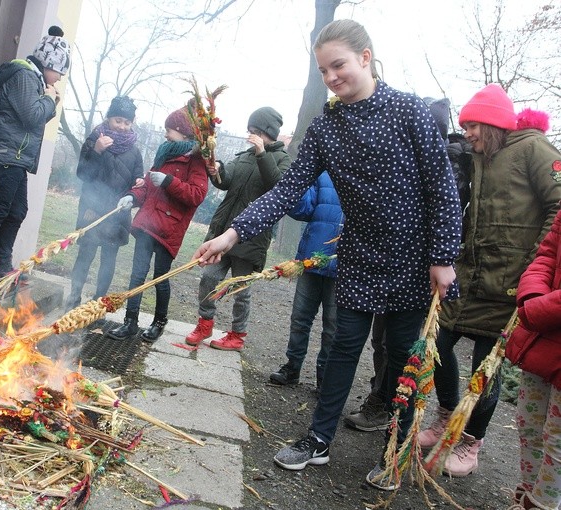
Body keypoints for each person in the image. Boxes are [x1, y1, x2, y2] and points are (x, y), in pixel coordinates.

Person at [193, 19, 462, 491]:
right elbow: (287, 190)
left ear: (365, 57)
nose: (331, 76)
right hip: (356, 258)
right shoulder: (327, 128)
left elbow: (443, 189)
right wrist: (234, 233)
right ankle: (317, 440)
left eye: (338, 65)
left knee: (403, 362)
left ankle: (394, 452)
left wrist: (442, 256)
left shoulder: (409, 112)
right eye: (323, 70)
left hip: (412, 262)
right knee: (339, 351)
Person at [418, 86, 561, 477]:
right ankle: (447, 416)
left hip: (510, 285)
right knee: (438, 343)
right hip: (470, 277)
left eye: (472, 125)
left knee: (488, 364)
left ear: (493, 123)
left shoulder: (534, 149)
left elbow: (558, 204)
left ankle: (470, 443)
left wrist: (535, 263)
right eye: (463, 125)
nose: (467, 133)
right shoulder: (481, 157)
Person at [345, 97, 452, 432]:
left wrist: (442, 257)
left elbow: (446, 212)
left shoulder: (446, 167)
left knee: (412, 348)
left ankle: (402, 418)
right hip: (391, 268)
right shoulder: (397, 157)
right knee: (383, 341)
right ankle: (382, 399)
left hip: (429, 272)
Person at [0, 26, 71, 286]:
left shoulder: (34, 79)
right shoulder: (24, 75)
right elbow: (31, 116)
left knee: (17, 210)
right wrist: (49, 100)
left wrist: (47, 101)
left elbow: (34, 115)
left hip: (17, 155)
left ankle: (1, 264)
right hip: (8, 152)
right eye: (59, 71)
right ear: (48, 62)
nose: (58, 78)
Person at [183, 107, 290, 351]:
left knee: (240, 289)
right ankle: (205, 323)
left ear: (267, 133)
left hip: (252, 238)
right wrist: (216, 171)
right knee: (209, 279)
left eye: (254, 132)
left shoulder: (282, 159)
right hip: (223, 231)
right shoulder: (245, 154)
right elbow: (226, 181)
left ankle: (237, 335)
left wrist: (263, 154)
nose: (249, 136)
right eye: (249, 131)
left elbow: (278, 187)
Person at [107, 105, 209, 342]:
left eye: (169, 129)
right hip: (147, 226)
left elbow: (196, 194)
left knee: (159, 278)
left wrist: (169, 181)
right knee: (137, 275)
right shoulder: (164, 153)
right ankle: (130, 322)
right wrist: (132, 197)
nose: (165, 134)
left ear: (184, 133)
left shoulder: (197, 160)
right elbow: (148, 186)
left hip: (168, 230)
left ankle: (158, 322)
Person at [65, 96, 145, 310]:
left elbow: (137, 184)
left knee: (108, 261)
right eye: (118, 120)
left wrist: (136, 188)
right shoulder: (94, 140)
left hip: (117, 216)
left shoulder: (135, 151)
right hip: (91, 210)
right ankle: (73, 298)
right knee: (85, 255)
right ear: (108, 118)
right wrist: (97, 151)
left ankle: (97, 303)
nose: (122, 126)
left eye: (127, 122)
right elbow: (83, 173)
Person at [506, 206, 561, 510]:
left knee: (557, 439)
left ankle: (541, 504)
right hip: (543, 334)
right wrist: (531, 296)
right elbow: (547, 254)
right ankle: (528, 492)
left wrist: (539, 310)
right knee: (529, 423)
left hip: (545, 320)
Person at [269, 172, 342, 391]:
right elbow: (303, 210)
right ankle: (292, 367)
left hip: (344, 266)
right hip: (311, 259)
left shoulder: (367, 174)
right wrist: (295, 184)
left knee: (333, 326)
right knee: (300, 318)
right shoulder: (324, 174)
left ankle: (325, 379)